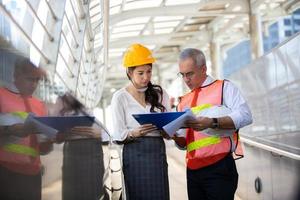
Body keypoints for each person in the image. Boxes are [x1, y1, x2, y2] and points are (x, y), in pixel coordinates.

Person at [173, 48, 253, 200]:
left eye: (189, 73)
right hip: (192, 171)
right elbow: (184, 143)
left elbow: (246, 116)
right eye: (182, 75)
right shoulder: (183, 102)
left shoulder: (224, 87)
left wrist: (212, 122)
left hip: (219, 168)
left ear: (204, 69)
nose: (186, 79)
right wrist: (173, 136)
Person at [111, 43, 171, 200]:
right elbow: (118, 133)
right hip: (134, 152)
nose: (146, 77)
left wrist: (167, 130)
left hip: (156, 151)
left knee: (160, 195)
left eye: (149, 71)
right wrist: (133, 133)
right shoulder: (120, 97)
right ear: (130, 73)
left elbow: (171, 127)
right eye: (140, 73)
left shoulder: (160, 93)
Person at [0, 57, 51, 200]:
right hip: (5, 173)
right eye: (30, 79)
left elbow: (43, 149)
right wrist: (9, 130)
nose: (34, 85)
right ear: (16, 75)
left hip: (33, 175)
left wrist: (53, 140)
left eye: (37, 80)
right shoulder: (1, 95)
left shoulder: (39, 105)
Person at [48, 93, 106, 200]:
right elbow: (54, 136)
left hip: (94, 147)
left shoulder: (91, 94)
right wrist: (64, 133)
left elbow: (108, 133)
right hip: (72, 149)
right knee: (73, 192)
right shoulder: (61, 99)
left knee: (94, 191)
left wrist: (100, 134)